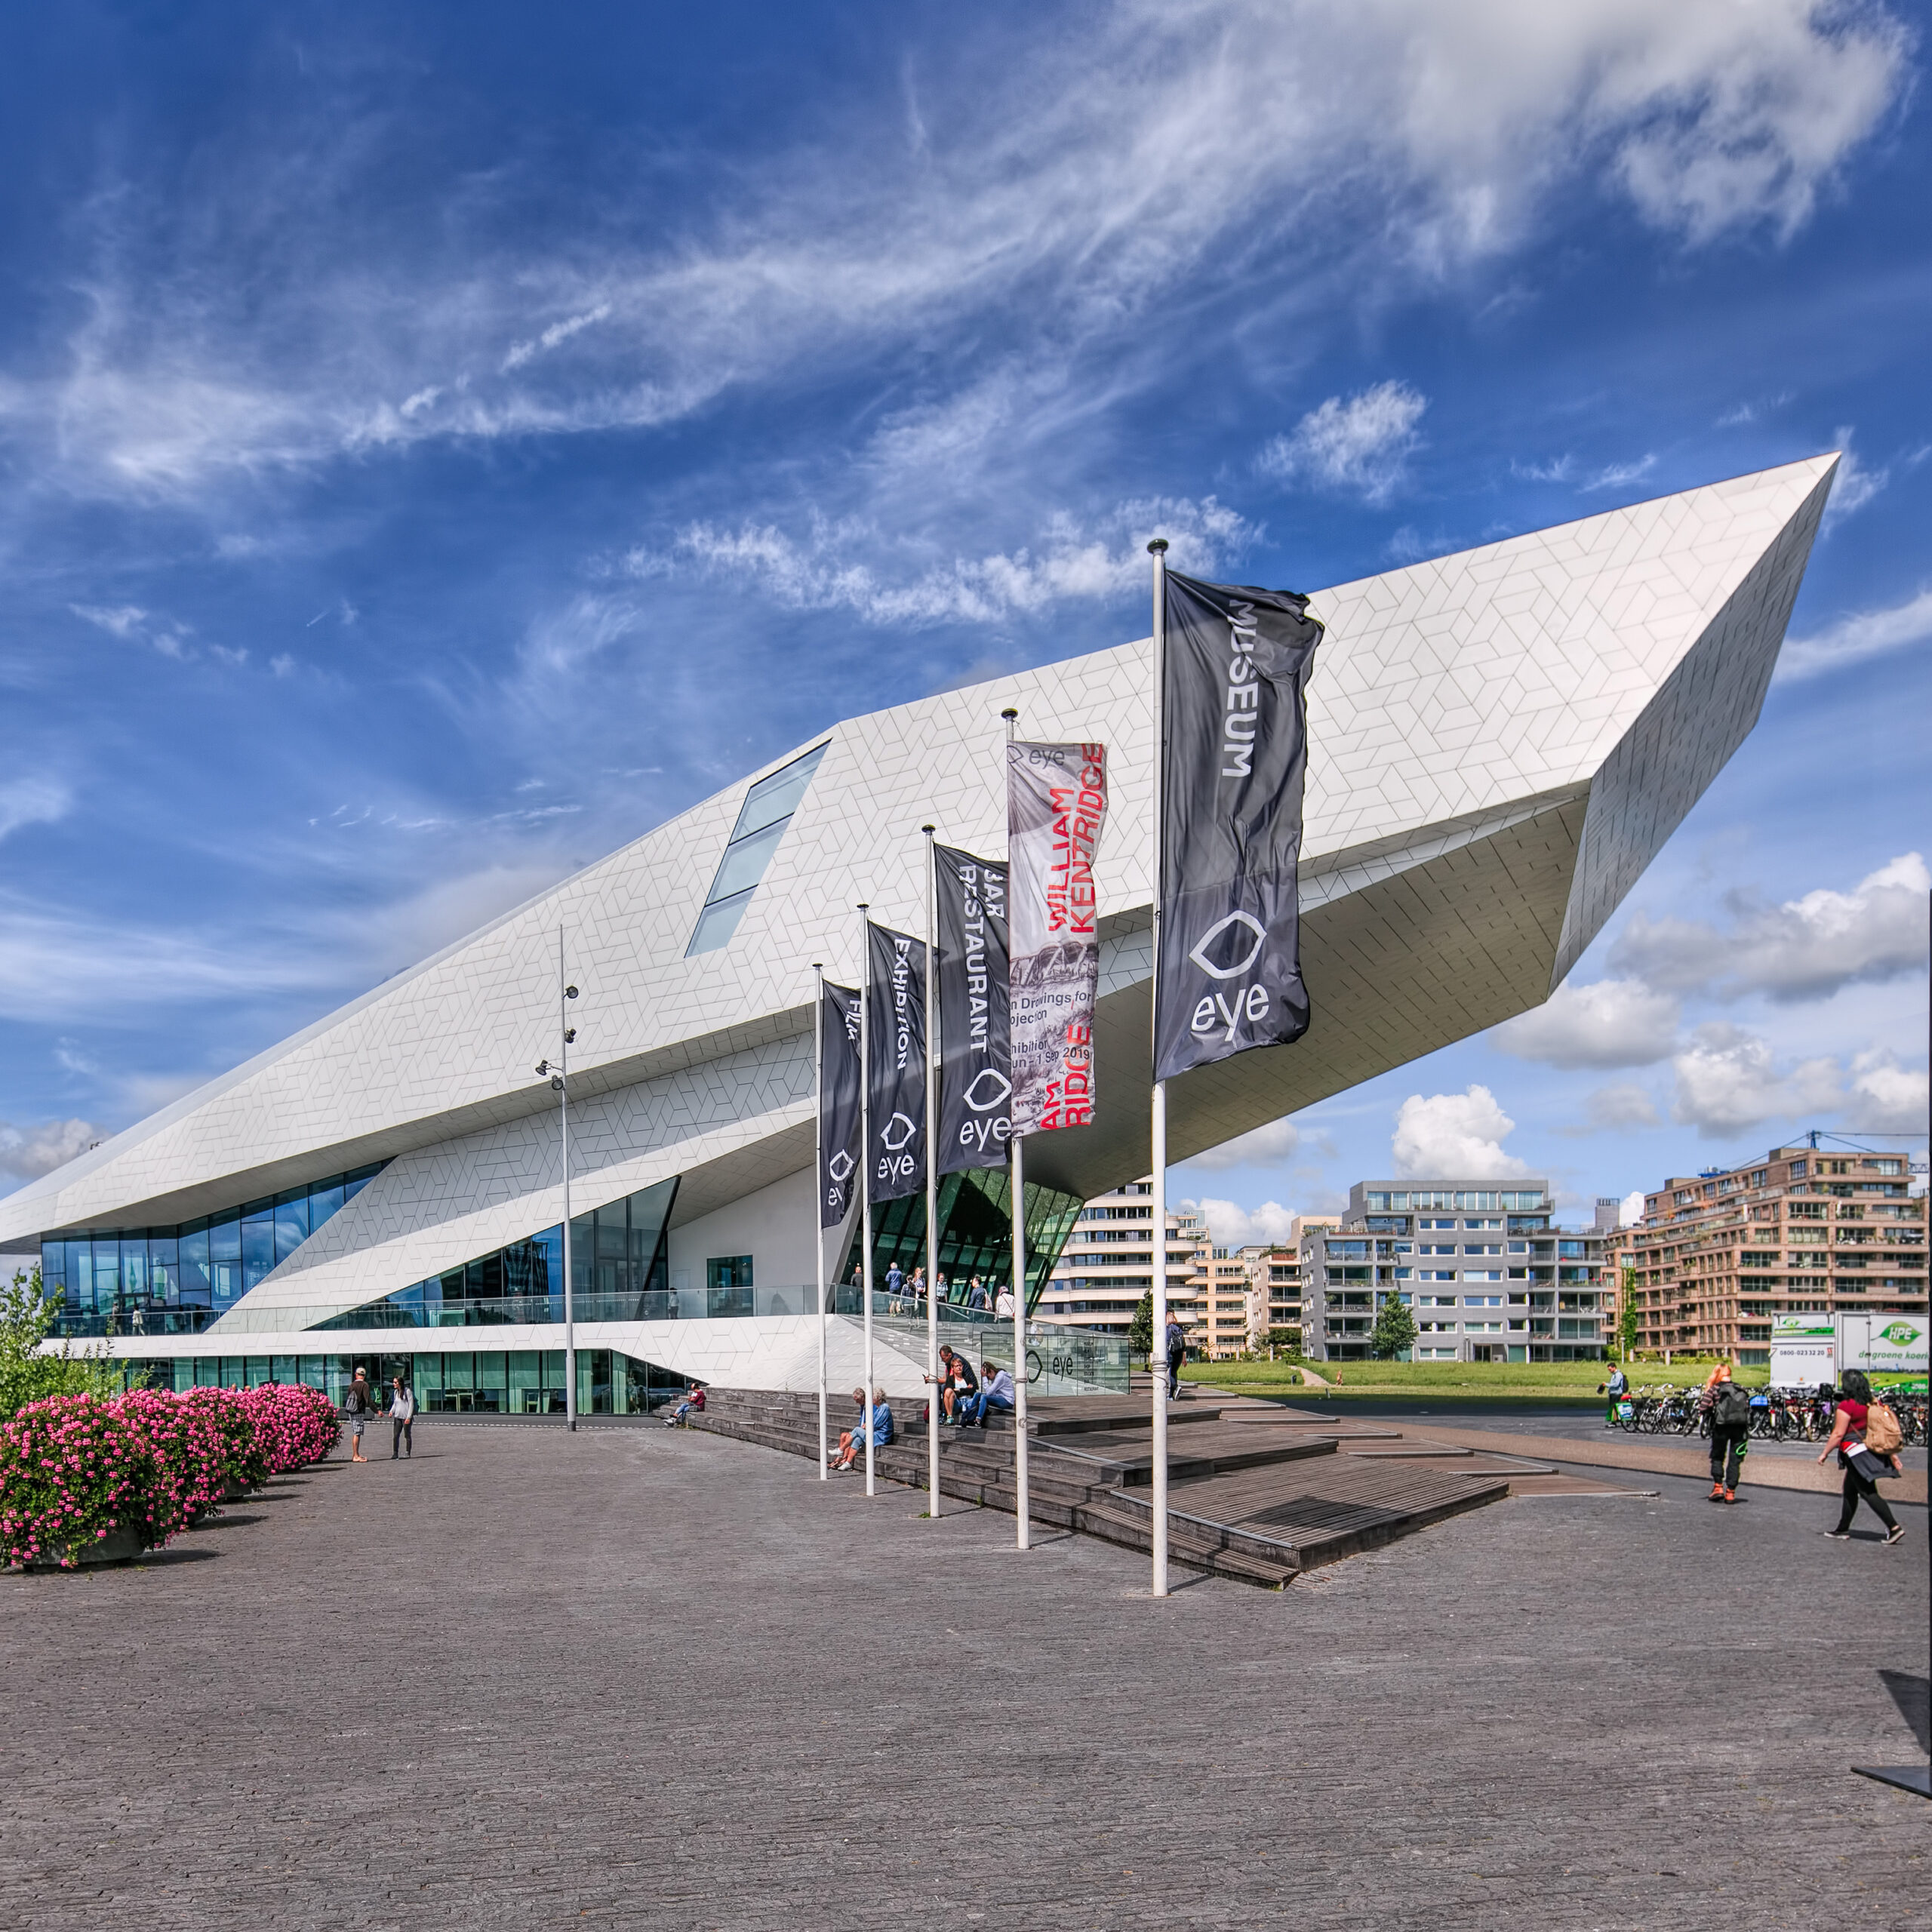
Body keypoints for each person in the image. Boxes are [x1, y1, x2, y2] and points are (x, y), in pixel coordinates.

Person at [1818, 1368, 1906, 1543]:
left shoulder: (1847, 1405)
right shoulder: (1873, 1403)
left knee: (1868, 1492)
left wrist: (1824, 1453)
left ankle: (1894, 1527)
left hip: (1855, 1452)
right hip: (1869, 1449)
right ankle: (1842, 1528)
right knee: (1850, 1491)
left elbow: (1838, 1433)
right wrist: (1893, 1456)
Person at [1704, 1364, 1752, 1503]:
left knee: (1718, 1456)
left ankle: (1718, 1487)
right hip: (1740, 1428)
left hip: (1721, 1427)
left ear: (1717, 1374)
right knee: (1735, 1460)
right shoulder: (1740, 1389)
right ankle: (1731, 1492)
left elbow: (1703, 1407)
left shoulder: (1715, 1389)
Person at [960, 1359, 1016, 1428]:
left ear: (992, 1371)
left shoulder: (1000, 1377)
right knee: (977, 1395)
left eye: (988, 1377)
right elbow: (990, 1392)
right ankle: (971, 1417)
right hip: (1000, 1398)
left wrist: (984, 1377)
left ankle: (978, 1421)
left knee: (984, 1397)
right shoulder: (995, 1377)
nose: (988, 1379)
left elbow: (989, 1392)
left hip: (1007, 1401)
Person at [343, 1367, 374, 1462]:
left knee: (356, 1432)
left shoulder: (352, 1385)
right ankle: (356, 1455)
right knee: (357, 1433)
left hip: (351, 1411)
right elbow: (367, 1399)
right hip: (358, 1411)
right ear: (364, 1375)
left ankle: (356, 1455)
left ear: (356, 1375)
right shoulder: (364, 1385)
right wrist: (377, 1410)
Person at [388, 1375, 416, 1460]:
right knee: (396, 1435)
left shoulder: (407, 1391)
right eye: (393, 1382)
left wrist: (409, 1417)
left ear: (400, 1383)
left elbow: (411, 1405)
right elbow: (395, 1404)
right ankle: (395, 1453)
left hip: (405, 1417)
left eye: (395, 1382)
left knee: (407, 1435)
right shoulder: (396, 1392)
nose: (394, 1384)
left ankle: (408, 1452)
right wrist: (391, 1411)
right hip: (397, 1417)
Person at [1164, 1312, 1186, 1401]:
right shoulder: (1179, 1329)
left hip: (1171, 1353)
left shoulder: (1167, 1329)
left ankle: (1175, 1387)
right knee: (1173, 1373)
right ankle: (1171, 1395)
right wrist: (1184, 1359)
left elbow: (1166, 1343)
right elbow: (1183, 1346)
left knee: (1169, 1373)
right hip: (1179, 1354)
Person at [1602, 1363, 1628, 1428]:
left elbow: (1616, 1384)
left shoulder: (1618, 1375)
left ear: (1614, 1368)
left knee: (1614, 1407)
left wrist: (1607, 1385)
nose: (1609, 1371)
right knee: (1614, 1408)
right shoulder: (1614, 1375)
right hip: (1613, 1393)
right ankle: (1617, 1420)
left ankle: (1614, 1422)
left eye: (1610, 1369)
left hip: (1616, 1393)